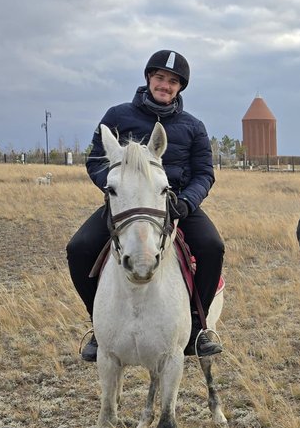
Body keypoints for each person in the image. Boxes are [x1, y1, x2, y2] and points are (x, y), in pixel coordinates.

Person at [66, 49, 225, 362]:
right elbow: (96, 159)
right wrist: (117, 188)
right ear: (149, 78)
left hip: (175, 203)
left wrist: (188, 202)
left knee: (212, 247)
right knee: (79, 248)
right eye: (160, 78)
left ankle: (197, 326)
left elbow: (205, 172)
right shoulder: (116, 116)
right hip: (125, 204)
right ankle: (98, 326)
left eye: (173, 81)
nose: (165, 85)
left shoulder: (193, 126)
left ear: (180, 88)